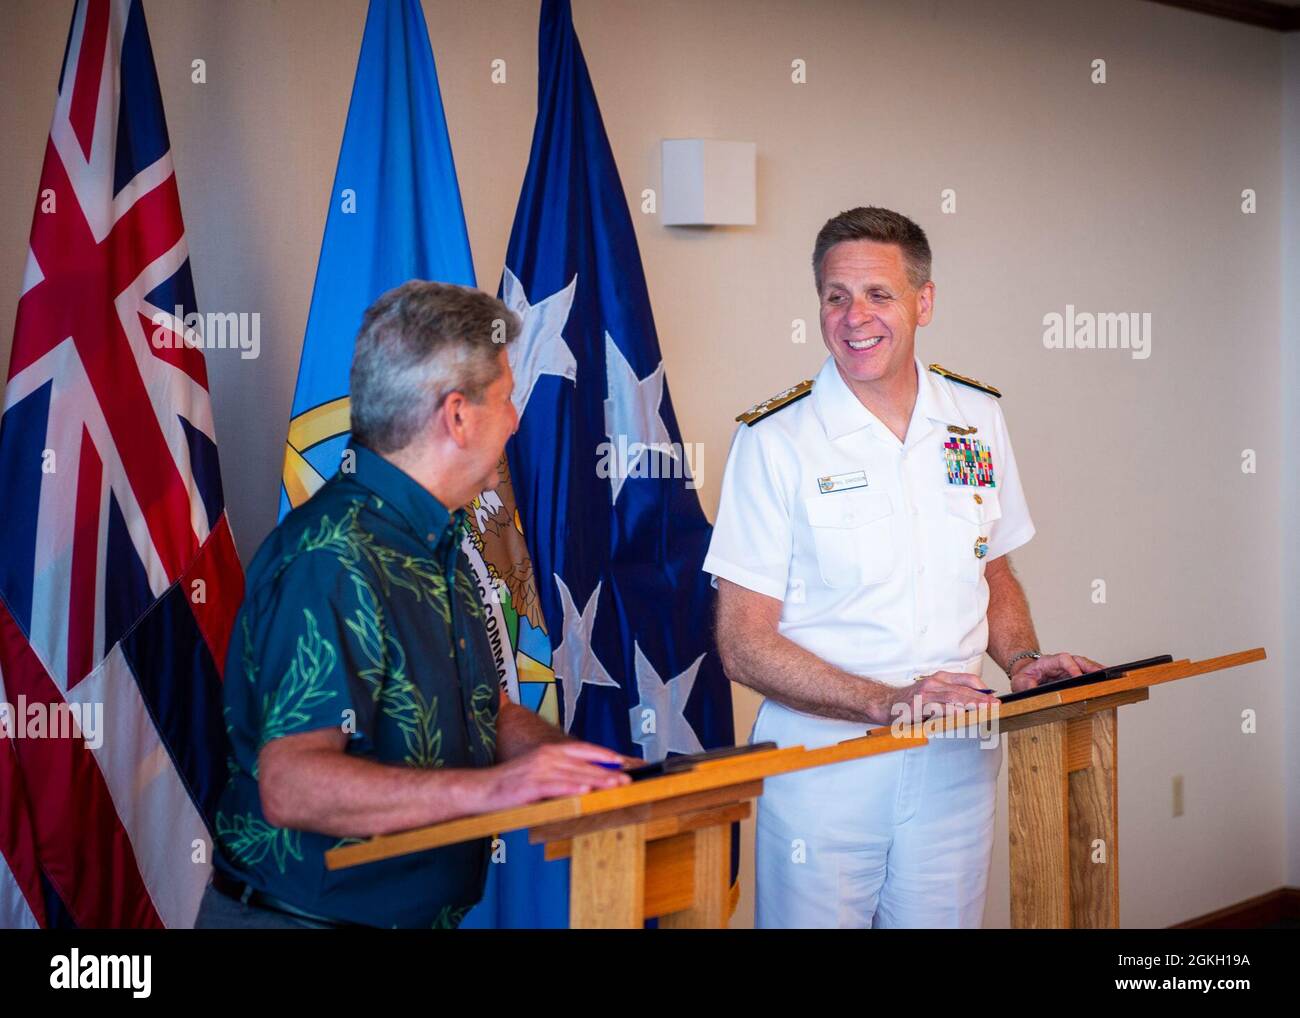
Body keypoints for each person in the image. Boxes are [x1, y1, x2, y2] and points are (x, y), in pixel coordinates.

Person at [704, 207, 1101, 929]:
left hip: (957, 761)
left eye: (878, 294)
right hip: (823, 768)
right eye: (835, 295)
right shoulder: (776, 441)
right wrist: (884, 702)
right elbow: (741, 642)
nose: (855, 316)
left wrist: (1024, 661)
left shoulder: (975, 417)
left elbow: (992, 570)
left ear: (924, 301)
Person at [194, 280, 630, 929]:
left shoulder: (438, 536)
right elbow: (293, 784)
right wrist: (494, 790)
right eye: (507, 398)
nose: (515, 419)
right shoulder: (330, 557)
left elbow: (487, 712)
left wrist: (572, 768)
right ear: (457, 416)